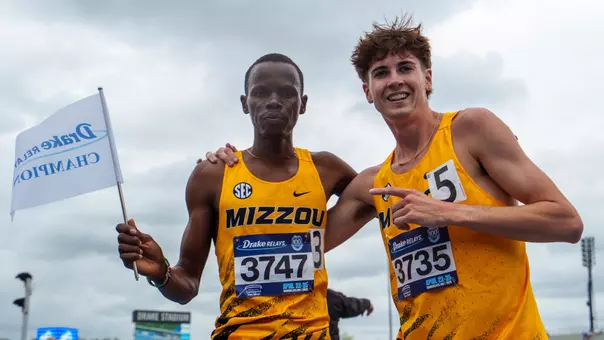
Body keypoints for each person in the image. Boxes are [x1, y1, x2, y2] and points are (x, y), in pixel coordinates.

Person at [205, 15, 583, 340]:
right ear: (367, 91)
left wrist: (449, 212)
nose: (394, 80)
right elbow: (298, 244)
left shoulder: (470, 130)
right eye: (380, 73)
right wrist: (237, 166)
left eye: (405, 68)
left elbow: (566, 222)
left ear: (427, 79)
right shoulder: (376, 185)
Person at [115, 53, 364, 339]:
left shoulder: (326, 169)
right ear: (245, 103)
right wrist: (160, 272)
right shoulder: (212, 176)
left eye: (287, 93)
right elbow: (187, 287)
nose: (273, 101)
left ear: (303, 104)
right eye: (260, 92)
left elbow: (385, 203)